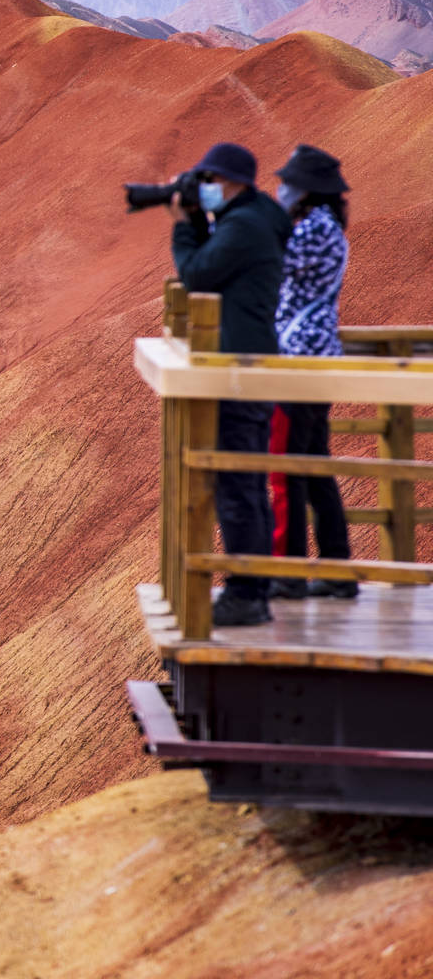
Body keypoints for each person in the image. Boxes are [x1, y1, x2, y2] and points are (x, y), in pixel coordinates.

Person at [168, 141, 292, 627]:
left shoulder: (243, 225)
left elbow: (199, 274)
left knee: (237, 486)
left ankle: (246, 593)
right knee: (247, 483)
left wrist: (184, 226)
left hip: (240, 369)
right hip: (253, 362)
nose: (206, 189)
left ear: (231, 181)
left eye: (210, 180)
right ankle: (251, 586)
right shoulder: (259, 214)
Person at [266, 145, 354, 600]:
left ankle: (287, 571)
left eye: (286, 184)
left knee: (285, 467)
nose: (279, 190)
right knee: (314, 466)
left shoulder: (313, 230)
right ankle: (337, 568)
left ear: (305, 190)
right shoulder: (325, 227)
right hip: (313, 356)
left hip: (298, 359)